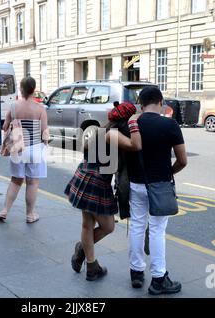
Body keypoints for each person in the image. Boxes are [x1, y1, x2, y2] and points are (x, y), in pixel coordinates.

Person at [66, 102, 141, 281]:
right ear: (125, 120)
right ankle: (85, 254)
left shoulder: (102, 130)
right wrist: (134, 122)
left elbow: (85, 148)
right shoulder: (112, 134)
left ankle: (91, 264)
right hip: (96, 181)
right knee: (108, 227)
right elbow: (135, 145)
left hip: (85, 175)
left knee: (88, 224)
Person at [126, 86, 187, 295]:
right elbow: (182, 160)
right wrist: (169, 172)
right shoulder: (169, 124)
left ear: (141, 105)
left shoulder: (132, 124)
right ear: (161, 102)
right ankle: (159, 278)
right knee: (157, 230)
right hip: (159, 184)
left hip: (135, 183)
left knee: (136, 225)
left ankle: (136, 272)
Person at [0, 77, 49, 223]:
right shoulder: (40, 109)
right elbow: (45, 132)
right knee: (32, 183)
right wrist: (45, 143)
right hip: (35, 148)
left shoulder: (13, 106)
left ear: (21, 88)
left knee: (15, 181)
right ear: (34, 89)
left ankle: (5, 210)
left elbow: (5, 127)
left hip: (18, 146)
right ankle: (30, 215)